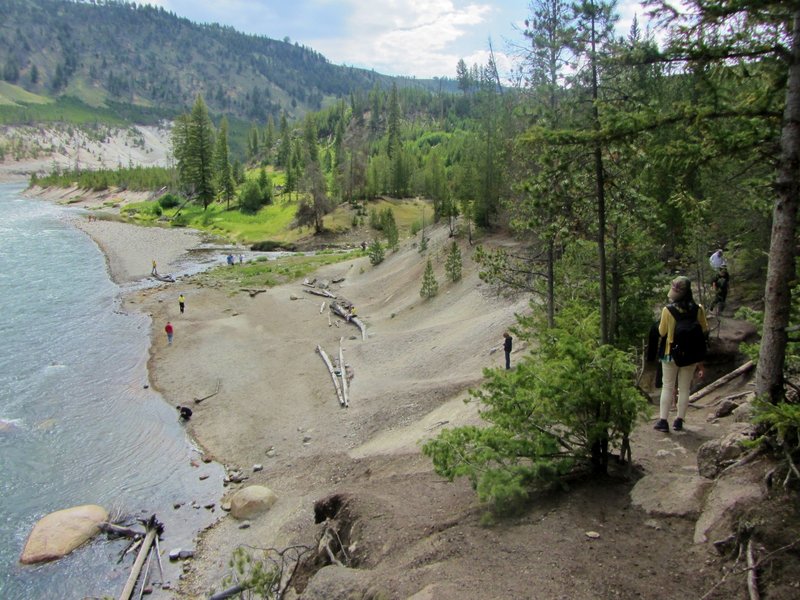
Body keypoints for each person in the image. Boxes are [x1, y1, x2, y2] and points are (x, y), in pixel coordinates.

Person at [654, 277, 709, 432]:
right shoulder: (698, 309)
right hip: (690, 354)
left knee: (668, 386)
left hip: (670, 353)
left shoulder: (667, 310)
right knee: (684, 388)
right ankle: (679, 421)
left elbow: (661, 332)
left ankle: (663, 421)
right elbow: (704, 329)